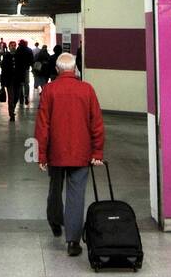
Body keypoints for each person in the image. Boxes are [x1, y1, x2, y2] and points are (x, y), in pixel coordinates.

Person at [35, 52, 105, 257]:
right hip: (81, 153)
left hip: (55, 153)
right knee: (76, 196)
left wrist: (41, 155)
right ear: (75, 69)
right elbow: (97, 124)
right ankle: (73, 240)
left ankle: (55, 221)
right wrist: (97, 151)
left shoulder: (49, 90)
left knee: (55, 189)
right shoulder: (87, 90)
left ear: (57, 70)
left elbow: (43, 126)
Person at [13, 39, 35, 108]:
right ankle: (26, 96)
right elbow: (32, 60)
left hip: (18, 70)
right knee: (26, 83)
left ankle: (21, 98)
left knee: (20, 84)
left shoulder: (18, 50)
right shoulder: (29, 50)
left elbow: (15, 60)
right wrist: (32, 68)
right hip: (26, 69)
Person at [0, 44, 17, 119]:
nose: (13, 47)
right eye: (12, 46)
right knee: (11, 97)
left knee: (16, 96)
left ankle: (12, 109)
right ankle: (11, 113)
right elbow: (4, 70)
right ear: (9, 47)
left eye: (14, 45)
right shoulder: (6, 56)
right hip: (9, 80)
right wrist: (3, 83)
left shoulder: (18, 55)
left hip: (17, 80)